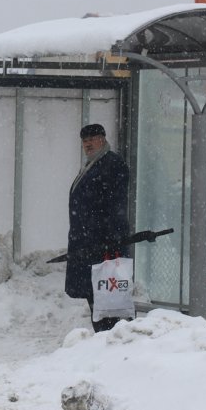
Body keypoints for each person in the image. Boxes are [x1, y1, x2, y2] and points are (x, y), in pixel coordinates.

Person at [65, 123, 130, 332]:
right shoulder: (91, 165)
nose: (87, 144)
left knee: (107, 295)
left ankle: (110, 336)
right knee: (94, 294)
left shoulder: (112, 164)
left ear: (102, 139)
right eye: (84, 141)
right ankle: (103, 336)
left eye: (91, 139)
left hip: (102, 245)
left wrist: (110, 240)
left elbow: (115, 205)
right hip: (87, 242)